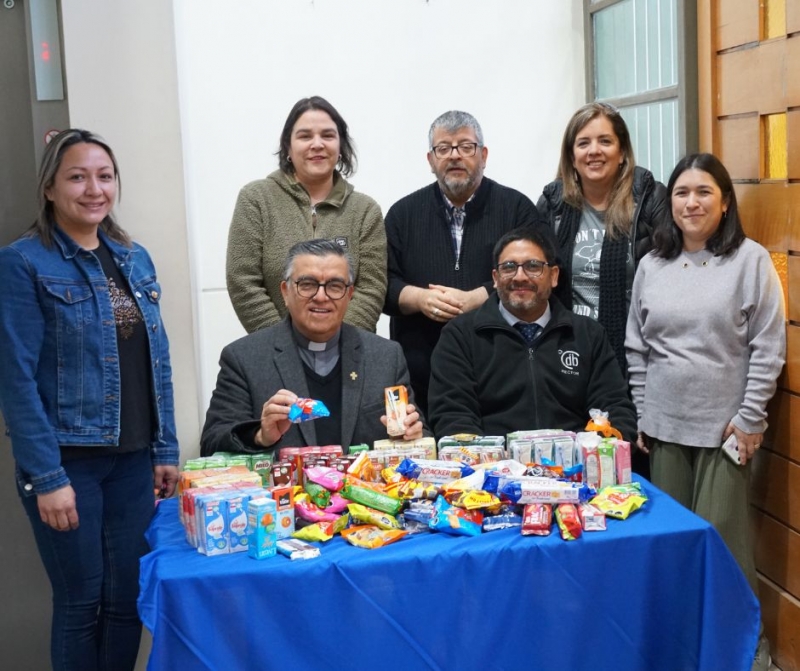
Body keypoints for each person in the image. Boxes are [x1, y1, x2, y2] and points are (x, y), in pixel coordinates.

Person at [0, 129, 180, 671]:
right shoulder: (24, 262)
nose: (93, 189)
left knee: (126, 602)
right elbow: (16, 379)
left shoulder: (132, 256)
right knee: (81, 603)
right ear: (51, 188)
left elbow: (158, 362)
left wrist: (165, 449)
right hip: (67, 462)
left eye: (104, 176)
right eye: (77, 177)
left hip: (131, 462)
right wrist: (47, 478)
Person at [625, 153, 785, 671]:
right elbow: (637, 348)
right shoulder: (651, 264)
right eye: (681, 193)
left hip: (725, 430)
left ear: (724, 202)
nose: (691, 203)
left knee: (723, 540)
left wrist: (750, 418)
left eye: (703, 193)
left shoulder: (751, 260)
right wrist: (644, 412)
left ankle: (742, 649)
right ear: (668, 202)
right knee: (671, 540)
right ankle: (679, 645)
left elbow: (768, 347)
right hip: (664, 427)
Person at [384, 110, 542, 417]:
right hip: (420, 372)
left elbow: (538, 276)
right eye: (444, 148)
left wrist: (477, 298)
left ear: (483, 155)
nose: (455, 156)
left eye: (466, 147)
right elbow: (382, 285)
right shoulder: (402, 214)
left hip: (503, 369)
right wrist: (421, 299)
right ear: (430, 160)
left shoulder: (517, 209)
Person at [202, 239, 425, 455]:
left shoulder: (385, 357)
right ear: (285, 292)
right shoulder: (244, 358)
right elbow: (211, 443)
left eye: (335, 286)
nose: (321, 297)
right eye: (307, 285)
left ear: (349, 295)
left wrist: (412, 435)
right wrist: (260, 436)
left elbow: (421, 433)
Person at [428, 226, 637, 442]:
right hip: (494, 469)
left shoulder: (587, 335)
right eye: (509, 267)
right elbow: (452, 417)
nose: (520, 277)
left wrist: (589, 456)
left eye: (533, 266)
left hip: (576, 467)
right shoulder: (460, 336)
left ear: (554, 276)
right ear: (496, 278)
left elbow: (615, 409)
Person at [227, 95, 387, 334]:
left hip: (349, 356)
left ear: (340, 146)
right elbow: (243, 280)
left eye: (327, 135)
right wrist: (282, 346)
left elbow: (371, 289)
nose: (317, 144)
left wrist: (335, 347)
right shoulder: (256, 199)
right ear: (288, 148)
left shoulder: (365, 210)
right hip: (274, 354)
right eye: (305, 136)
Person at [537, 102, 667, 375]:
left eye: (605, 141)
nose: (594, 151)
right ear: (572, 157)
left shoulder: (649, 199)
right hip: (567, 352)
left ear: (622, 153)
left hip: (640, 352)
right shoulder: (553, 204)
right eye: (583, 143)